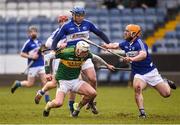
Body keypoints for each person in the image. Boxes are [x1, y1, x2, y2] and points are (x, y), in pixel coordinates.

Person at [102, 24, 176, 118]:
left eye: (127, 31)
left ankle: (165, 82)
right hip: (138, 73)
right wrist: (107, 46)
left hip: (151, 72)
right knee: (137, 88)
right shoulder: (125, 43)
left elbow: (143, 55)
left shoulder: (140, 43)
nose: (125, 33)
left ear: (133, 34)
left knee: (166, 94)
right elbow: (116, 45)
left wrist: (132, 59)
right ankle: (142, 113)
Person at [50, 6, 112, 114]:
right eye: (78, 15)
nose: (80, 17)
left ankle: (91, 102)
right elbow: (56, 39)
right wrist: (53, 50)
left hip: (84, 55)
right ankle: (72, 108)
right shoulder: (66, 26)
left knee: (93, 79)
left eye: (82, 15)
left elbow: (100, 33)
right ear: (73, 15)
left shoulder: (88, 24)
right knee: (73, 83)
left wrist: (108, 43)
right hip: (71, 56)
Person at [43, 41, 97, 117]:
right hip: (63, 82)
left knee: (93, 93)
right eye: (83, 52)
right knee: (58, 103)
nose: (85, 54)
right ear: (78, 50)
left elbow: (96, 57)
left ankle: (77, 109)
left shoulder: (86, 54)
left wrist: (107, 65)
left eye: (86, 52)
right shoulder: (66, 53)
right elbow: (47, 56)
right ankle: (48, 105)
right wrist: (47, 72)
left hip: (75, 81)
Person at [11, 25, 50, 103]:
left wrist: (43, 53)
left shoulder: (39, 42)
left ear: (37, 33)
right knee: (30, 84)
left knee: (45, 82)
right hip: (33, 66)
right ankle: (18, 83)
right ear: (29, 34)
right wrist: (31, 56)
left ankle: (47, 100)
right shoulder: (28, 43)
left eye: (34, 31)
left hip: (41, 65)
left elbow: (42, 51)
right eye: (31, 32)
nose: (33, 33)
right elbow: (22, 53)